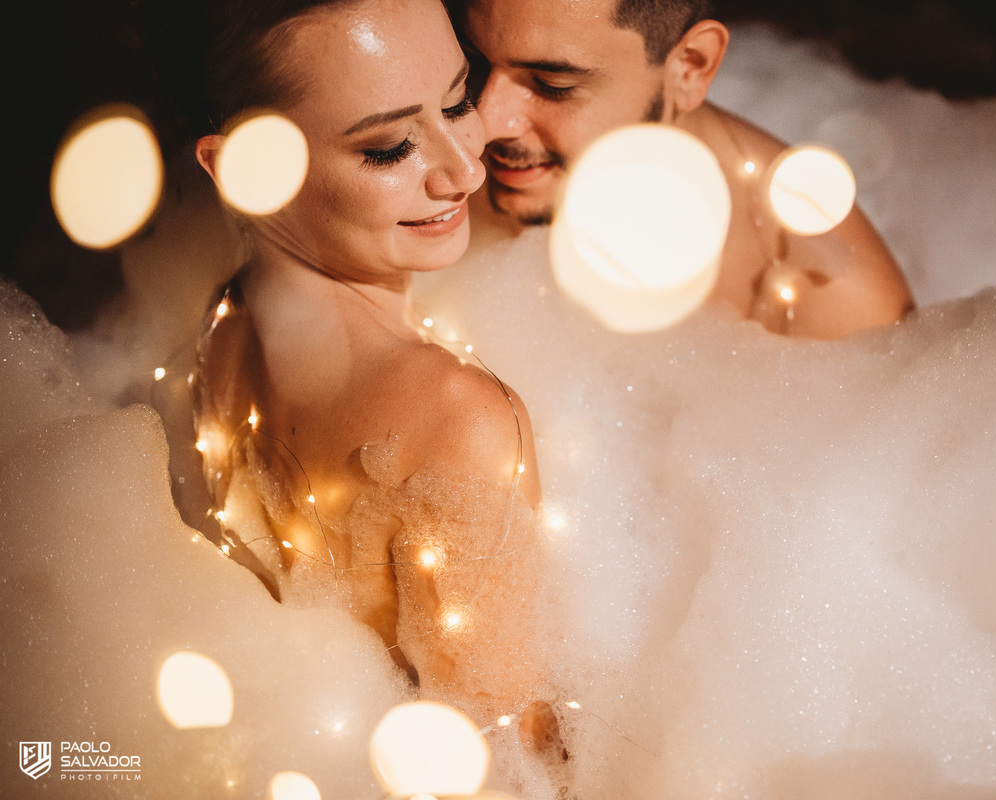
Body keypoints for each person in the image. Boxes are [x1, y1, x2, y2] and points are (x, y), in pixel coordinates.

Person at [154, 0, 569, 772]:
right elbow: (513, 770)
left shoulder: (221, 320)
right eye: (388, 147)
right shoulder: (459, 420)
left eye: (456, 101)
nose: (465, 168)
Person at [454, 0, 914, 339]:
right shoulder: (436, 136)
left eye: (553, 85)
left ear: (690, 68)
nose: (486, 123)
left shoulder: (837, 308)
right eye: (471, 60)